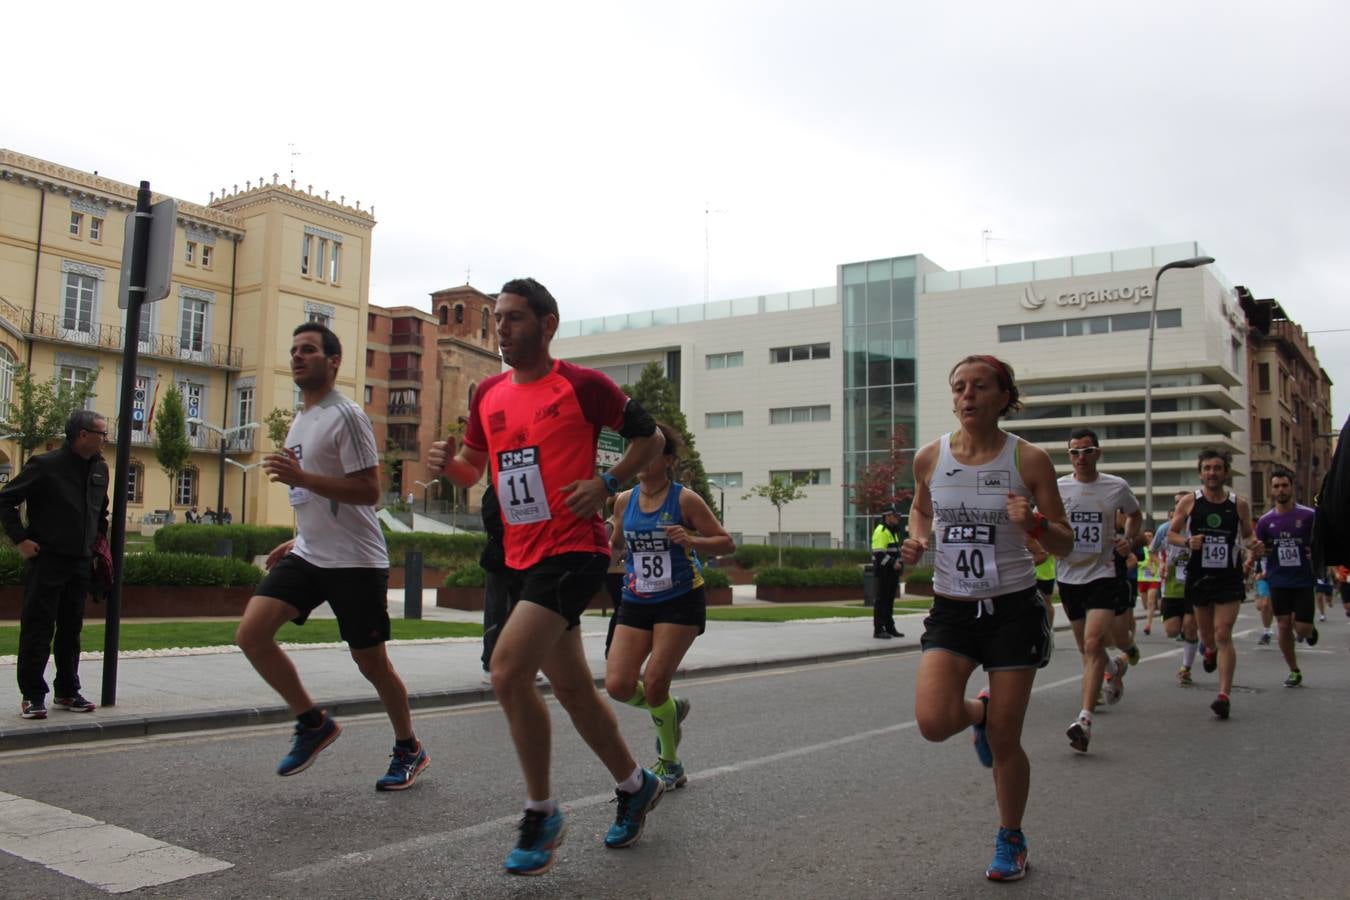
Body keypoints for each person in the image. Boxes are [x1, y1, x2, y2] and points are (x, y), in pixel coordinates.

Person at [431, 277, 668, 876]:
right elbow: (471, 472)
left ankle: (541, 810)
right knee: (571, 690)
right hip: (518, 556)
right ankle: (635, 783)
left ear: (547, 323)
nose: (502, 329)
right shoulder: (487, 393)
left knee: (507, 669)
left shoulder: (584, 386)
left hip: (572, 549)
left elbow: (652, 437)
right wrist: (447, 466)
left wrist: (608, 484)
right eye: (499, 319)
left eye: (513, 318)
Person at [235, 323, 428, 791]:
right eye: (295, 349)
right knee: (251, 635)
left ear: (334, 361)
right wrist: (296, 537)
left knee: (371, 663)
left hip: (355, 562)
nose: (299, 356)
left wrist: (301, 477)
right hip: (310, 554)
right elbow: (311, 493)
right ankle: (312, 721)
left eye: (310, 350)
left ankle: (409, 747)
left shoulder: (347, 416)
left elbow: (368, 490)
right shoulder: (301, 419)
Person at [901, 355, 1069, 882]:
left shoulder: (1030, 461)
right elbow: (921, 507)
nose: (968, 395)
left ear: (1003, 396)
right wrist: (919, 538)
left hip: (1014, 609)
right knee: (932, 722)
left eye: (980, 387)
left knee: (1005, 739)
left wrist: (1037, 521)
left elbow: (1066, 542)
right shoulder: (931, 457)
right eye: (959, 387)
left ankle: (1010, 837)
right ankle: (978, 713)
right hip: (952, 608)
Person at [605, 423, 734, 791]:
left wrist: (691, 539)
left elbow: (726, 544)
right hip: (636, 598)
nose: (640, 459)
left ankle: (670, 763)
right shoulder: (624, 500)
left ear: (668, 460)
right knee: (617, 684)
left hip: (679, 599)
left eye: (649, 452)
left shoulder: (685, 499)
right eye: (635, 452)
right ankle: (670, 710)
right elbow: (616, 543)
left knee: (656, 683)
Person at [0, 409, 110, 719]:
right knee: (38, 628)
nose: (105, 439)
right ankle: (32, 695)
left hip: (80, 563)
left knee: (71, 629)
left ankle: (66, 691)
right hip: (47, 560)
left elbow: (100, 513)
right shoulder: (45, 465)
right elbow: (6, 499)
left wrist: (97, 545)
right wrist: (20, 540)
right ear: (83, 434)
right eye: (101, 434)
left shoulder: (100, 470)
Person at [1053, 429, 1141, 753]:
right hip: (1069, 575)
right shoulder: (1059, 487)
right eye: (1074, 452)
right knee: (1085, 648)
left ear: (1098, 453)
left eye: (1087, 451)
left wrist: (1127, 540)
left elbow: (1135, 514)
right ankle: (1115, 668)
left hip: (1102, 574)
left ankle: (1085, 721)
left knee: (1093, 644)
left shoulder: (1115, 486)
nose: (1080, 457)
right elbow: (1046, 523)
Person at [1167, 447, 1259, 719]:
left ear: (1225, 472)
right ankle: (1208, 652)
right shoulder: (1189, 502)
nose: (1212, 473)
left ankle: (1223, 695)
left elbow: (1248, 537)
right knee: (1207, 637)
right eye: (1207, 468)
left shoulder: (1238, 504)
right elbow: (1171, 534)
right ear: (1200, 472)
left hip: (1228, 577)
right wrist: (1187, 541)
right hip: (1199, 577)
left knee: (1223, 634)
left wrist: (1257, 546)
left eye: (1217, 468)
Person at [1254, 467, 1319, 687]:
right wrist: (1257, 562)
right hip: (1278, 579)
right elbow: (1258, 548)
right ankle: (1294, 670)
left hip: (1303, 579)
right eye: (1276, 486)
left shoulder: (1308, 515)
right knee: (1282, 625)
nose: (1280, 490)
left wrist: (1316, 553)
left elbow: (1321, 541)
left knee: (1301, 629)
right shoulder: (1265, 521)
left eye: (1284, 485)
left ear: (1292, 488)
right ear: (1271, 490)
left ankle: (1308, 628)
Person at [870, 506, 905, 639]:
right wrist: (893, 563)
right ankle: (879, 630)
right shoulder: (881, 530)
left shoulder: (893, 531)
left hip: (892, 573)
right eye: (895, 516)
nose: (897, 519)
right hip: (884, 572)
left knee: (889, 601)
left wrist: (900, 563)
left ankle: (890, 627)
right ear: (887, 516)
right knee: (881, 601)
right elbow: (879, 553)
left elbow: (895, 552)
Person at [1137, 536, 1162, 636]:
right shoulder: (1140, 550)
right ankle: (1153, 611)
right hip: (1142, 579)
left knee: (1151, 602)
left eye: (1150, 536)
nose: (1148, 538)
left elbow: (1159, 562)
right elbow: (1135, 561)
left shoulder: (1155, 549)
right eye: (1146, 536)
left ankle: (1148, 625)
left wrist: (1155, 566)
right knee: (1145, 604)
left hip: (1153, 579)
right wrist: (1145, 565)